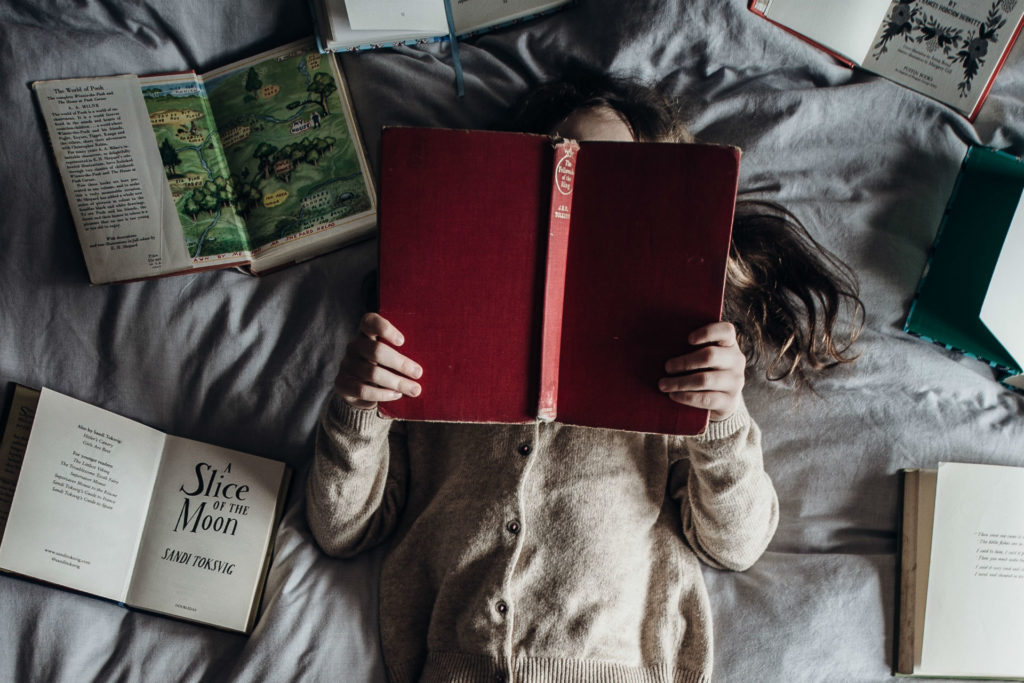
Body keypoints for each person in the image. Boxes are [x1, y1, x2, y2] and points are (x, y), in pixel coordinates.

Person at [306, 70, 864, 683]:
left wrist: (721, 417)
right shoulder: (435, 342)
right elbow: (343, 530)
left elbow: (735, 545)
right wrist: (358, 408)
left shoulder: (675, 359)